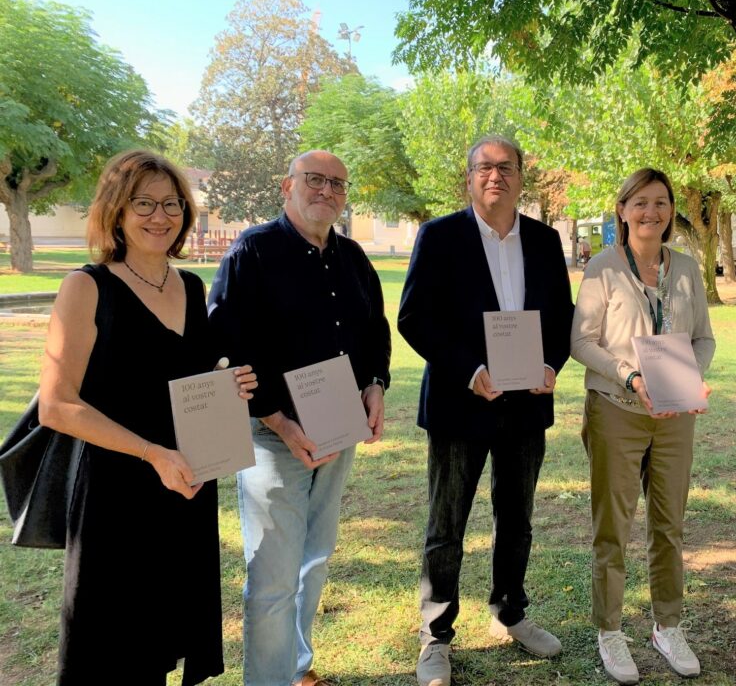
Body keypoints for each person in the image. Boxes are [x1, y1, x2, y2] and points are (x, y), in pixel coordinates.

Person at [38, 149, 257, 685]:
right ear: (116, 210)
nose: (160, 217)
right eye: (144, 203)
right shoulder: (86, 287)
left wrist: (229, 388)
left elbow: (186, 384)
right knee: (113, 653)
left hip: (184, 486)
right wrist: (149, 452)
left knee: (162, 645)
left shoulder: (190, 286)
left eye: (172, 204)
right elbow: (57, 405)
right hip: (118, 494)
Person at [207, 150, 391, 686]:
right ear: (287, 186)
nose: (327, 191)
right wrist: (280, 421)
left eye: (338, 184)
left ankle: (295, 666)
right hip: (272, 435)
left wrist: (375, 384)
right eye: (315, 180)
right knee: (272, 576)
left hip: (338, 431)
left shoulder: (353, 257)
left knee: (314, 560)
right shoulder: (253, 251)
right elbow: (225, 345)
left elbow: (374, 331)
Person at [399, 135, 575, 686]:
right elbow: (414, 318)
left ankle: (510, 610)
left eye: (506, 167)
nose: (494, 176)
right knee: (446, 524)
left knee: (516, 518)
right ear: (469, 178)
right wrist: (470, 370)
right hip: (460, 402)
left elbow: (562, 320)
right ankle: (436, 633)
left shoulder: (546, 241)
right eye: (484, 167)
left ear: (522, 177)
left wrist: (551, 365)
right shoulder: (440, 235)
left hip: (526, 407)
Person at [570, 168, 715, 685]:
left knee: (669, 525)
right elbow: (582, 342)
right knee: (613, 527)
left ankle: (667, 625)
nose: (651, 212)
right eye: (640, 203)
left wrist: (689, 379)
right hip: (616, 410)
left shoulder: (687, 269)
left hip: (673, 416)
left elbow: (703, 338)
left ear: (671, 210)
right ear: (623, 210)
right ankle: (610, 631)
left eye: (661, 203)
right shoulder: (604, 268)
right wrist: (630, 374)